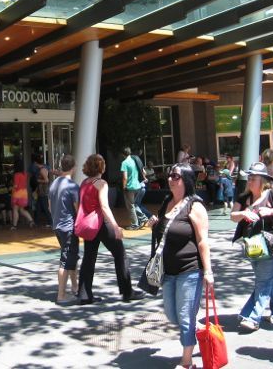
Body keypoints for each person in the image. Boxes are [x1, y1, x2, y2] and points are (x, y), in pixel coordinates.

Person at [147, 165, 213, 369]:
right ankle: (194, 328)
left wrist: (208, 272)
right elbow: (164, 231)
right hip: (168, 270)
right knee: (172, 314)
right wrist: (154, 224)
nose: (170, 179)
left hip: (190, 270)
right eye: (169, 175)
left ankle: (187, 362)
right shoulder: (167, 202)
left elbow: (203, 241)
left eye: (176, 176)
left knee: (184, 317)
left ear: (186, 179)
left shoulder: (195, 206)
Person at [77, 153, 143, 305]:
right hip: (101, 223)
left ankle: (84, 294)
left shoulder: (84, 183)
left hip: (88, 225)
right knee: (120, 254)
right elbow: (104, 207)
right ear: (101, 166)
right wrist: (115, 226)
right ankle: (127, 291)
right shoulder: (101, 183)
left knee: (89, 258)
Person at [231, 161, 273, 331]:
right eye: (249, 178)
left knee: (263, 281)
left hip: (271, 247)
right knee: (268, 278)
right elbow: (233, 216)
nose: (249, 181)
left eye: (253, 178)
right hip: (252, 246)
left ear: (263, 180)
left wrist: (270, 211)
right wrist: (243, 213)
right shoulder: (243, 197)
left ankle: (252, 316)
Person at [49, 154, 79, 306]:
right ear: (73, 168)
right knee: (66, 260)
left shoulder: (54, 184)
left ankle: (75, 287)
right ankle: (61, 295)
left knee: (71, 256)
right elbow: (77, 209)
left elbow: (50, 206)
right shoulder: (73, 186)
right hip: (69, 227)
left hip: (57, 226)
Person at [121, 147, 144, 230]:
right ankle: (143, 218)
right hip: (138, 186)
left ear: (123, 154)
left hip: (130, 187)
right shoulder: (134, 160)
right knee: (134, 204)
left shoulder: (124, 163)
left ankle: (135, 224)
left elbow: (125, 177)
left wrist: (124, 187)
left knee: (130, 206)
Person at [10, 161, 34, 230]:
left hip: (17, 194)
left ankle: (14, 225)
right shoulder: (25, 174)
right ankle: (31, 221)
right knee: (22, 209)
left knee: (15, 209)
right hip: (24, 194)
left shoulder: (16, 175)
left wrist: (12, 190)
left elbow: (16, 186)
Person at [34, 157, 53, 227]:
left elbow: (46, 180)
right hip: (41, 191)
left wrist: (38, 181)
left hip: (44, 191)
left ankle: (51, 222)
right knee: (38, 207)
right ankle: (35, 221)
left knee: (45, 207)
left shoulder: (42, 170)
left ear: (36, 163)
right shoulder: (43, 168)